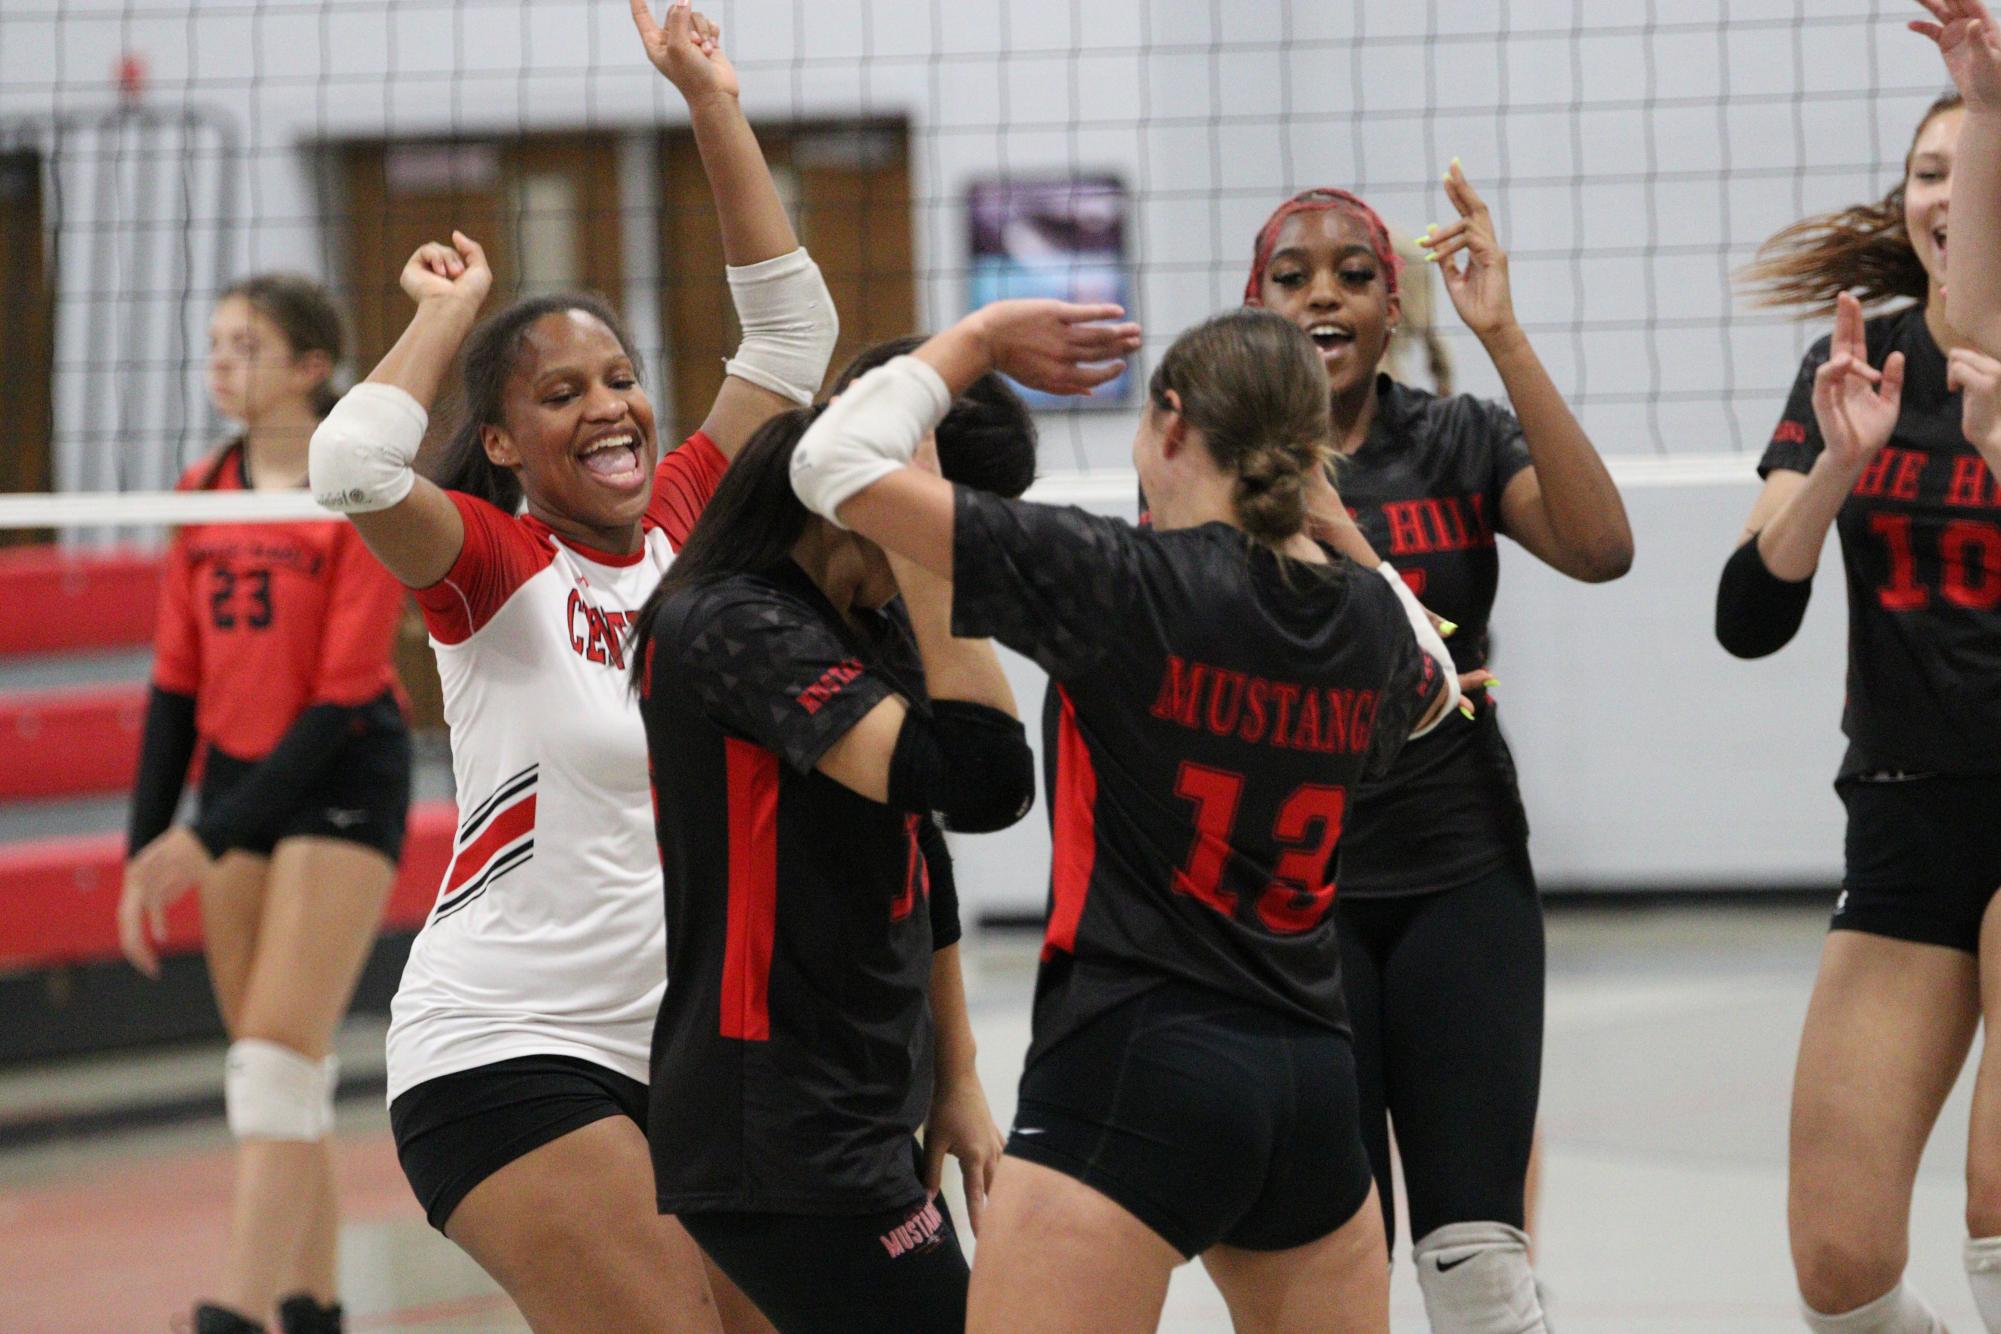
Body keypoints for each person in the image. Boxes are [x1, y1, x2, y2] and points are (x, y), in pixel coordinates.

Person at [305, 4, 837, 1328]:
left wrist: (710, 99)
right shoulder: (494, 564)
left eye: (620, 376)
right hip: (504, 1049)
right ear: (499, 441)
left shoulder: (677, 524)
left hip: (680, 1054)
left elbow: (788, 342)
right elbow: (354, 465)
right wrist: (450, 311)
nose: (607, 404)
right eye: (560, 393)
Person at [787, 297, 1459, 1332]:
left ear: (1174, 426)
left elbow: (828, 460)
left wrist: (976, 341)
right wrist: (1330, 519)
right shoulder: (1367, 620)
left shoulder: (1120, 580)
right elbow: (1437, 683)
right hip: (1313, 1082)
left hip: (1136, 1062)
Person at [1228, 174, 1633, 1330]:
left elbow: (1603, 546)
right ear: (1254, 302)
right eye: (1293, 276)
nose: (1325, 296)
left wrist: (1500, 332)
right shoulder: (1218, 467)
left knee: (1479, 1263)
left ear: (1393, 307)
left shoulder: (1453, 438)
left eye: (1356, 276)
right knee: (1337, 1259)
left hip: (1463, 875)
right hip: (1299, 900)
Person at [629, 348, 1039, 1330]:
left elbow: (923, 843)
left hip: (852, 1108)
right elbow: (987, 779)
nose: (968, 554)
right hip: (773, 1122)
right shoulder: (733, 624)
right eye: (959, 524)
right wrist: (927, 536)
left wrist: (958, 1075)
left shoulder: (858, 610)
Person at [1717, 71, 2001, 1331]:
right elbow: (1747, 618)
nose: (1950, 193)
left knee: (1999, 1200)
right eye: (1928, 171)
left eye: (1976, 163)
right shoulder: (1856, 362)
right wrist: (1836, 466)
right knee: (1841, 1269)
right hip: (1906, 813)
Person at [118, 274, 411, 1334]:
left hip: (343, 776)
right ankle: (315, 1307)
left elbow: (340, 697)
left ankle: (235, 1312)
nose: (220, 363)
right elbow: (173, 679)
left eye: (245, 344)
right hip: (234, 784)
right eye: (213, 344)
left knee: (278, 1058)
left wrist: (205, 833)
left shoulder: (355, 488)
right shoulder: (203, 483)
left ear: (309, 367)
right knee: (273, 1082)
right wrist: (146, 845)